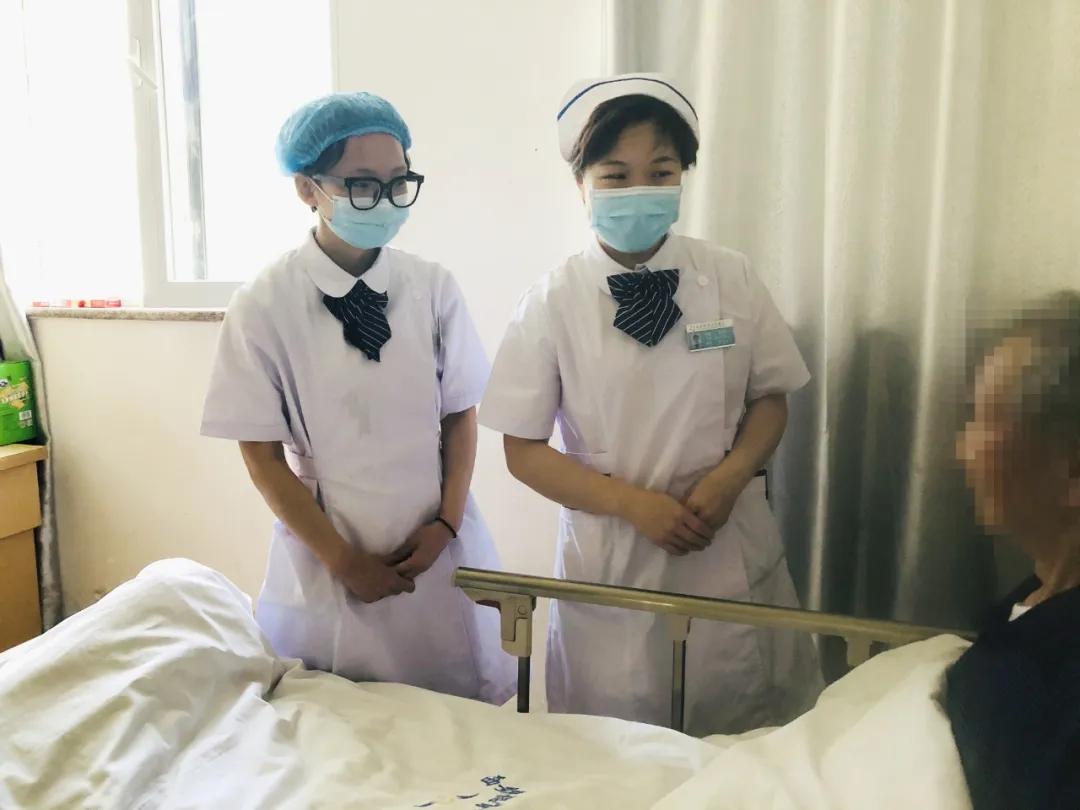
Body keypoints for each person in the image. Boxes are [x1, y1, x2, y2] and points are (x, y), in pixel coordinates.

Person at [479, 73, 822, 735]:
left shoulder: (730, 276)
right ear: (581, 184)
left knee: (748, 743)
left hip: (725, 542)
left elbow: (771, 399)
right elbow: (522, 451)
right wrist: (630, 503)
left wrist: (730, 476)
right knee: (620, 746)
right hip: (615, 556)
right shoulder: (552, 301)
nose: (639, 190)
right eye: (615, 175)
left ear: (683, 178)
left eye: (660, 172)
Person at [200, 92, 514, 703]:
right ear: (307, 189)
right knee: (338, 717)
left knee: (451, 715)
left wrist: (446, 524)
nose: (386, 200)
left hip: (433, 537)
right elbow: (261, 456)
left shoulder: (432, 287)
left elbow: (460, 415)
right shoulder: (264, 304)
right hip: (328, 547)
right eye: (363, 184)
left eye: (399, 183)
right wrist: (343, 561)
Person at [948, 290, 1080, 809]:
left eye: (982, 419)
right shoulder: (1039, 601)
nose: (960, 451)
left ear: (1073, 469)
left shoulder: (1051, 690)